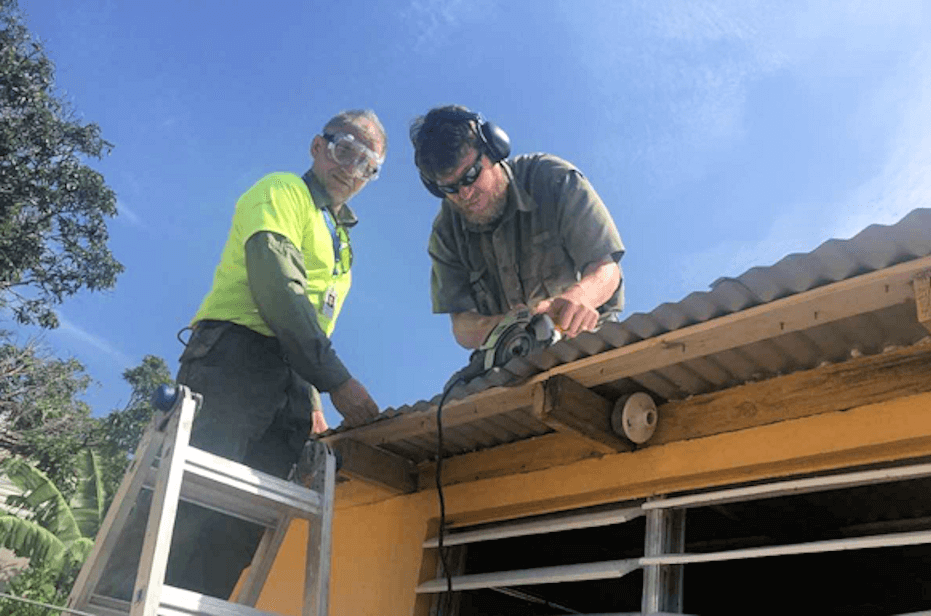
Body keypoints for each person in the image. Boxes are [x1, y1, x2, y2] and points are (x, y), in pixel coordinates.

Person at [98, 109, 386, 601]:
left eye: (368, 164)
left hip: (292, 383)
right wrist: (337, 381)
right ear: (318, 146)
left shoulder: (341, 242)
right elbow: (278, 289)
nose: (352, 169)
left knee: (239, 526)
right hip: (236, 359)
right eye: (345, 151)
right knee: (184, 505)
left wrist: (313, 402)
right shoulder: (281, 192)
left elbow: (313, 325)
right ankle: (115, 609)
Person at [410, 105, 625, 350]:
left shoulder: (552, 178)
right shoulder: (445, 233)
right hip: (509, 358)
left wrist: (578, 298)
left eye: (471, 175)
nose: (465, 193)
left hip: (585, 343)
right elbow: (462, 326)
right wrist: (516, 325)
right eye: (451, 188)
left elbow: (606, 270)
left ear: (493, 150)